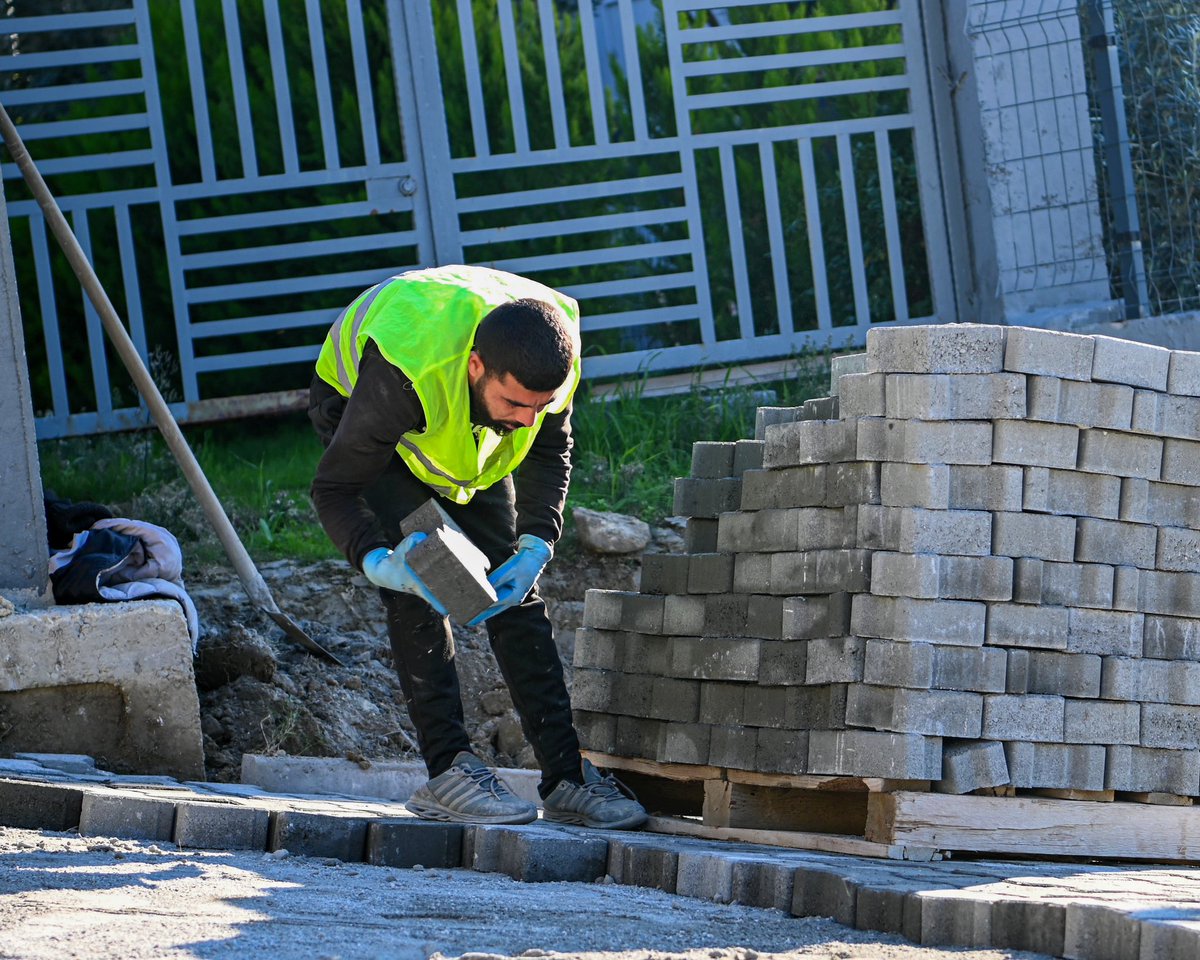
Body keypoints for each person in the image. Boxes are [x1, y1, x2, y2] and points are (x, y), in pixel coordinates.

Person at [307, 263, 647, 830]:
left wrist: (539, 539)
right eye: (516, 404)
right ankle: (449, 771)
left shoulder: (550, 349)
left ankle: (565, 776)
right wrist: (376, 560)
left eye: (538, 406)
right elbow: (334, 488)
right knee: (427, 578)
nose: (526, 419)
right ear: (476, 366)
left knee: (516, 593)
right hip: (367, 412)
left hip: (461, 431)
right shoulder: (404, 378)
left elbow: (549, 446)